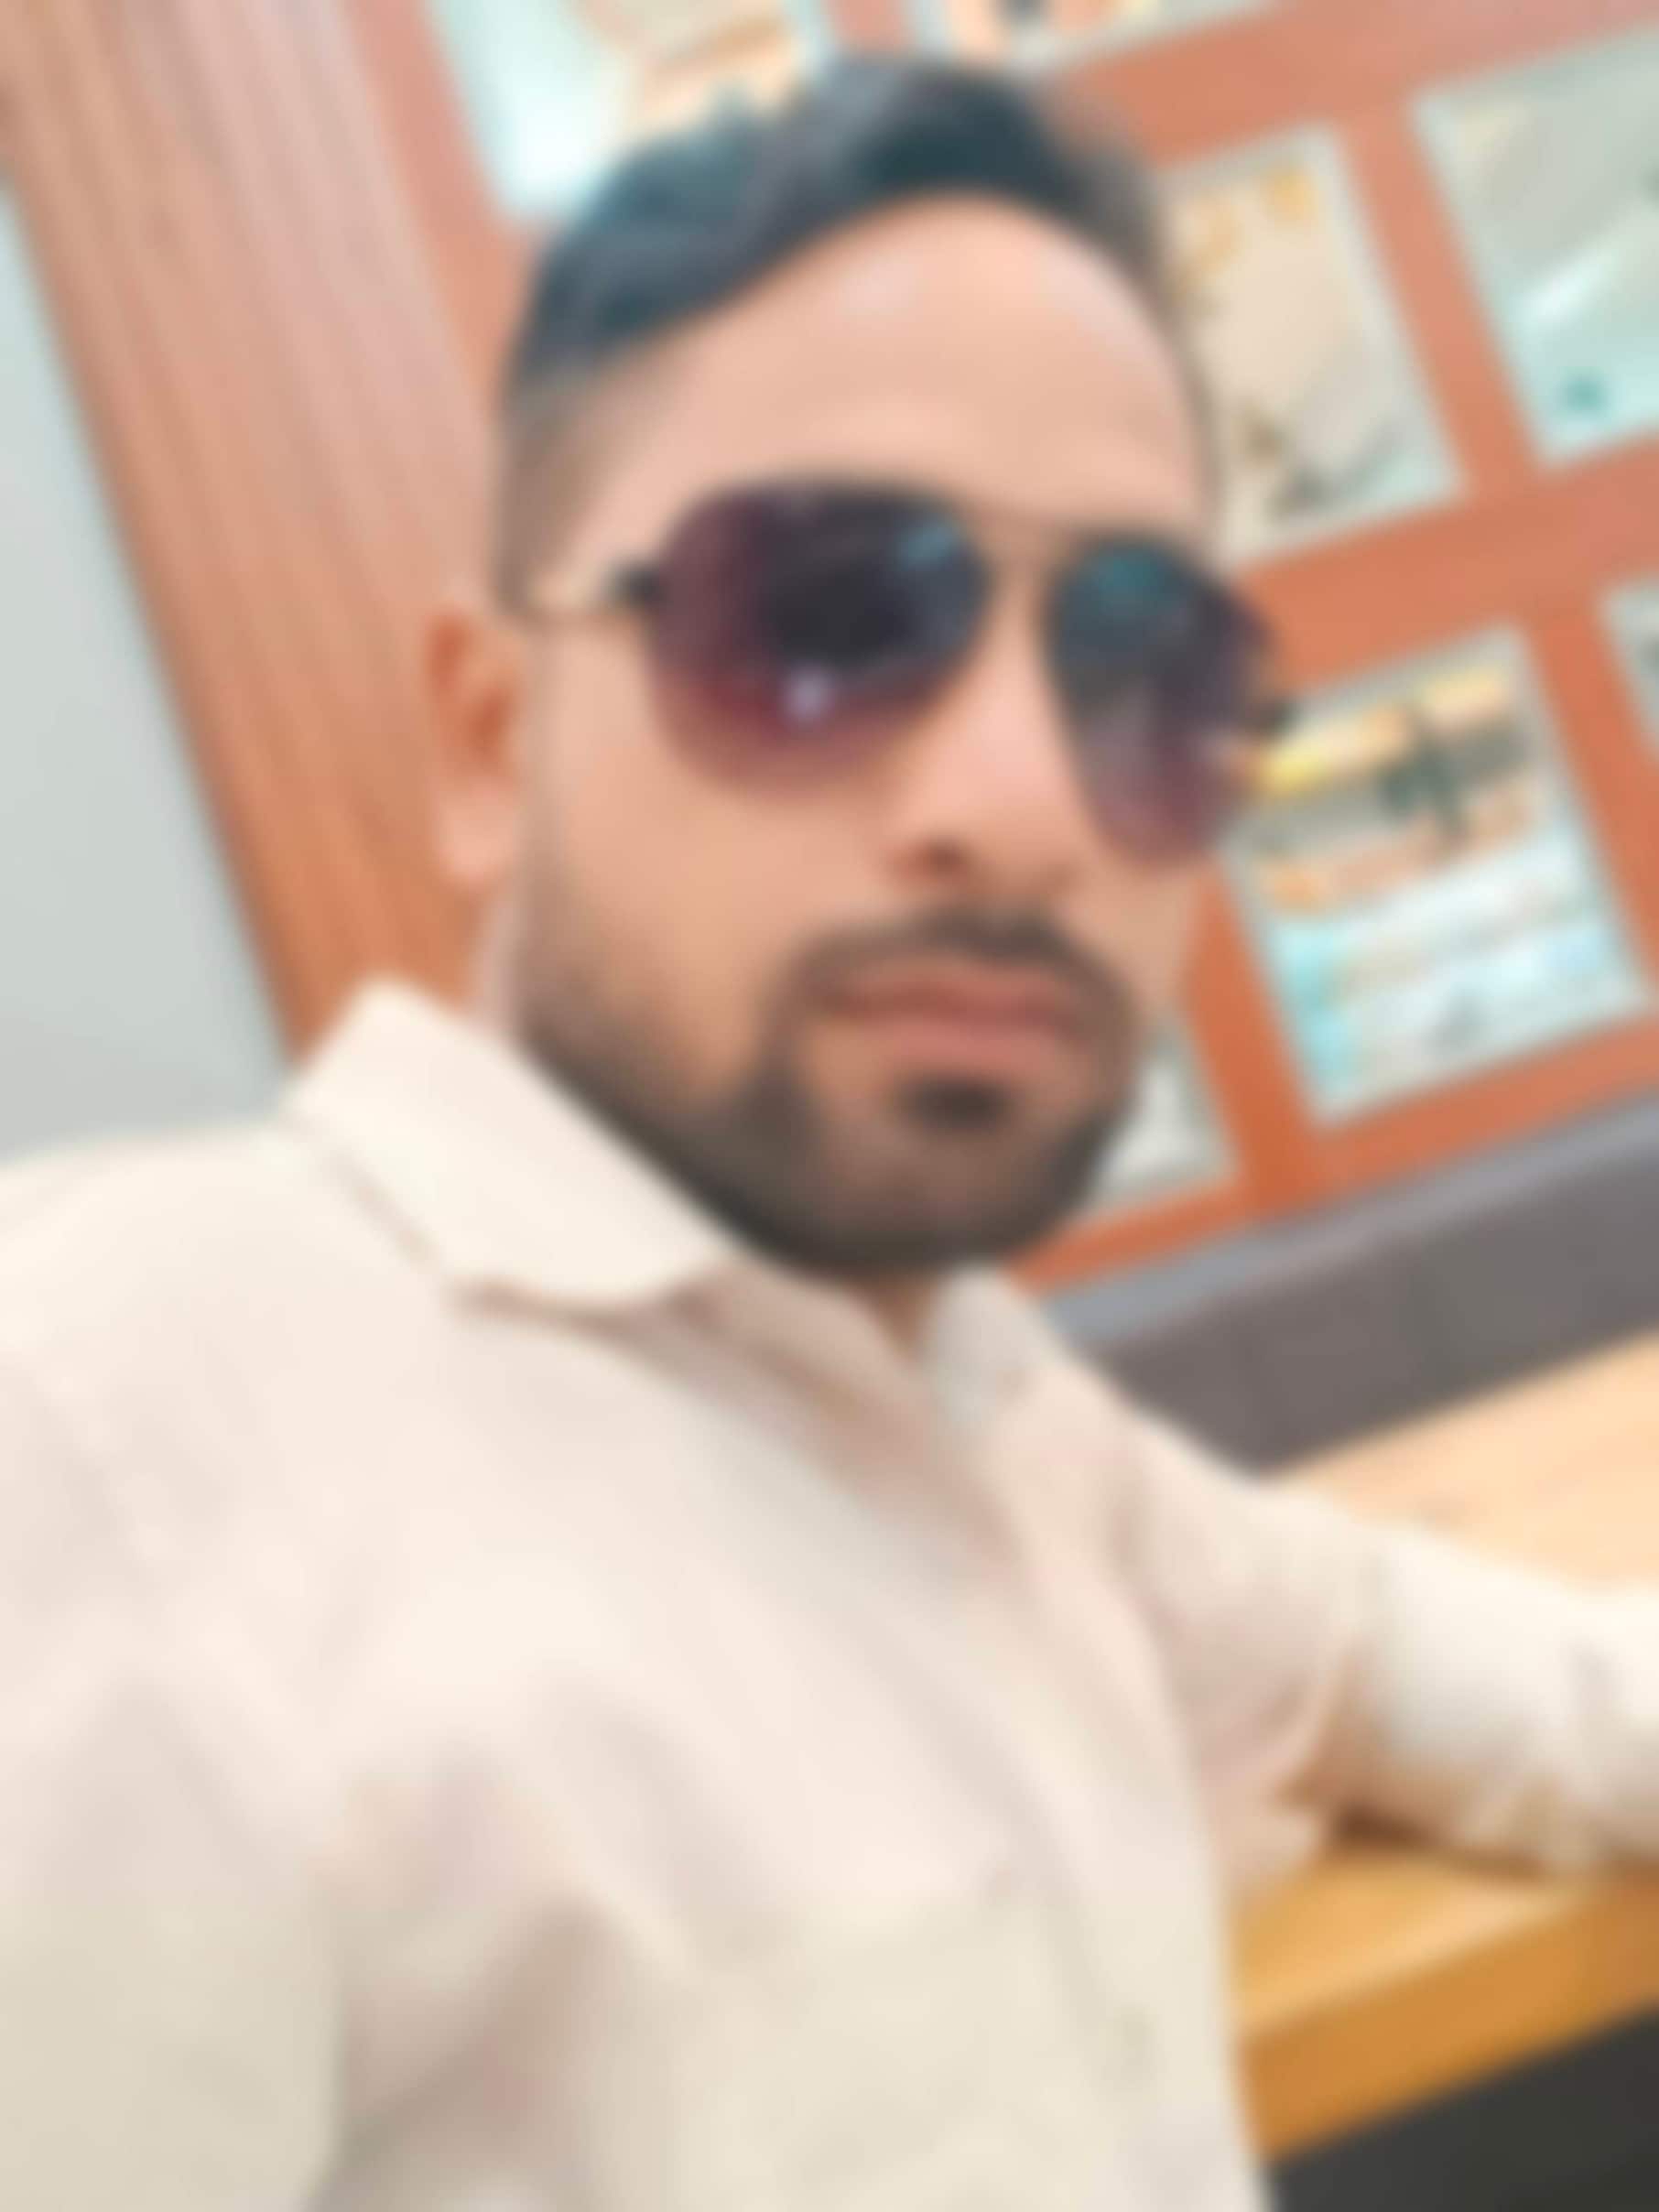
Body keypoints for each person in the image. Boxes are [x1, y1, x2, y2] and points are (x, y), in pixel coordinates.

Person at [0, 60, 1654, 2212]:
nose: (1024, 804)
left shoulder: (990, 1430)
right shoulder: (107, 1447)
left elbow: (1402, 1663)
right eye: (819, 618)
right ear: (491, 742)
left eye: (1141, 667)